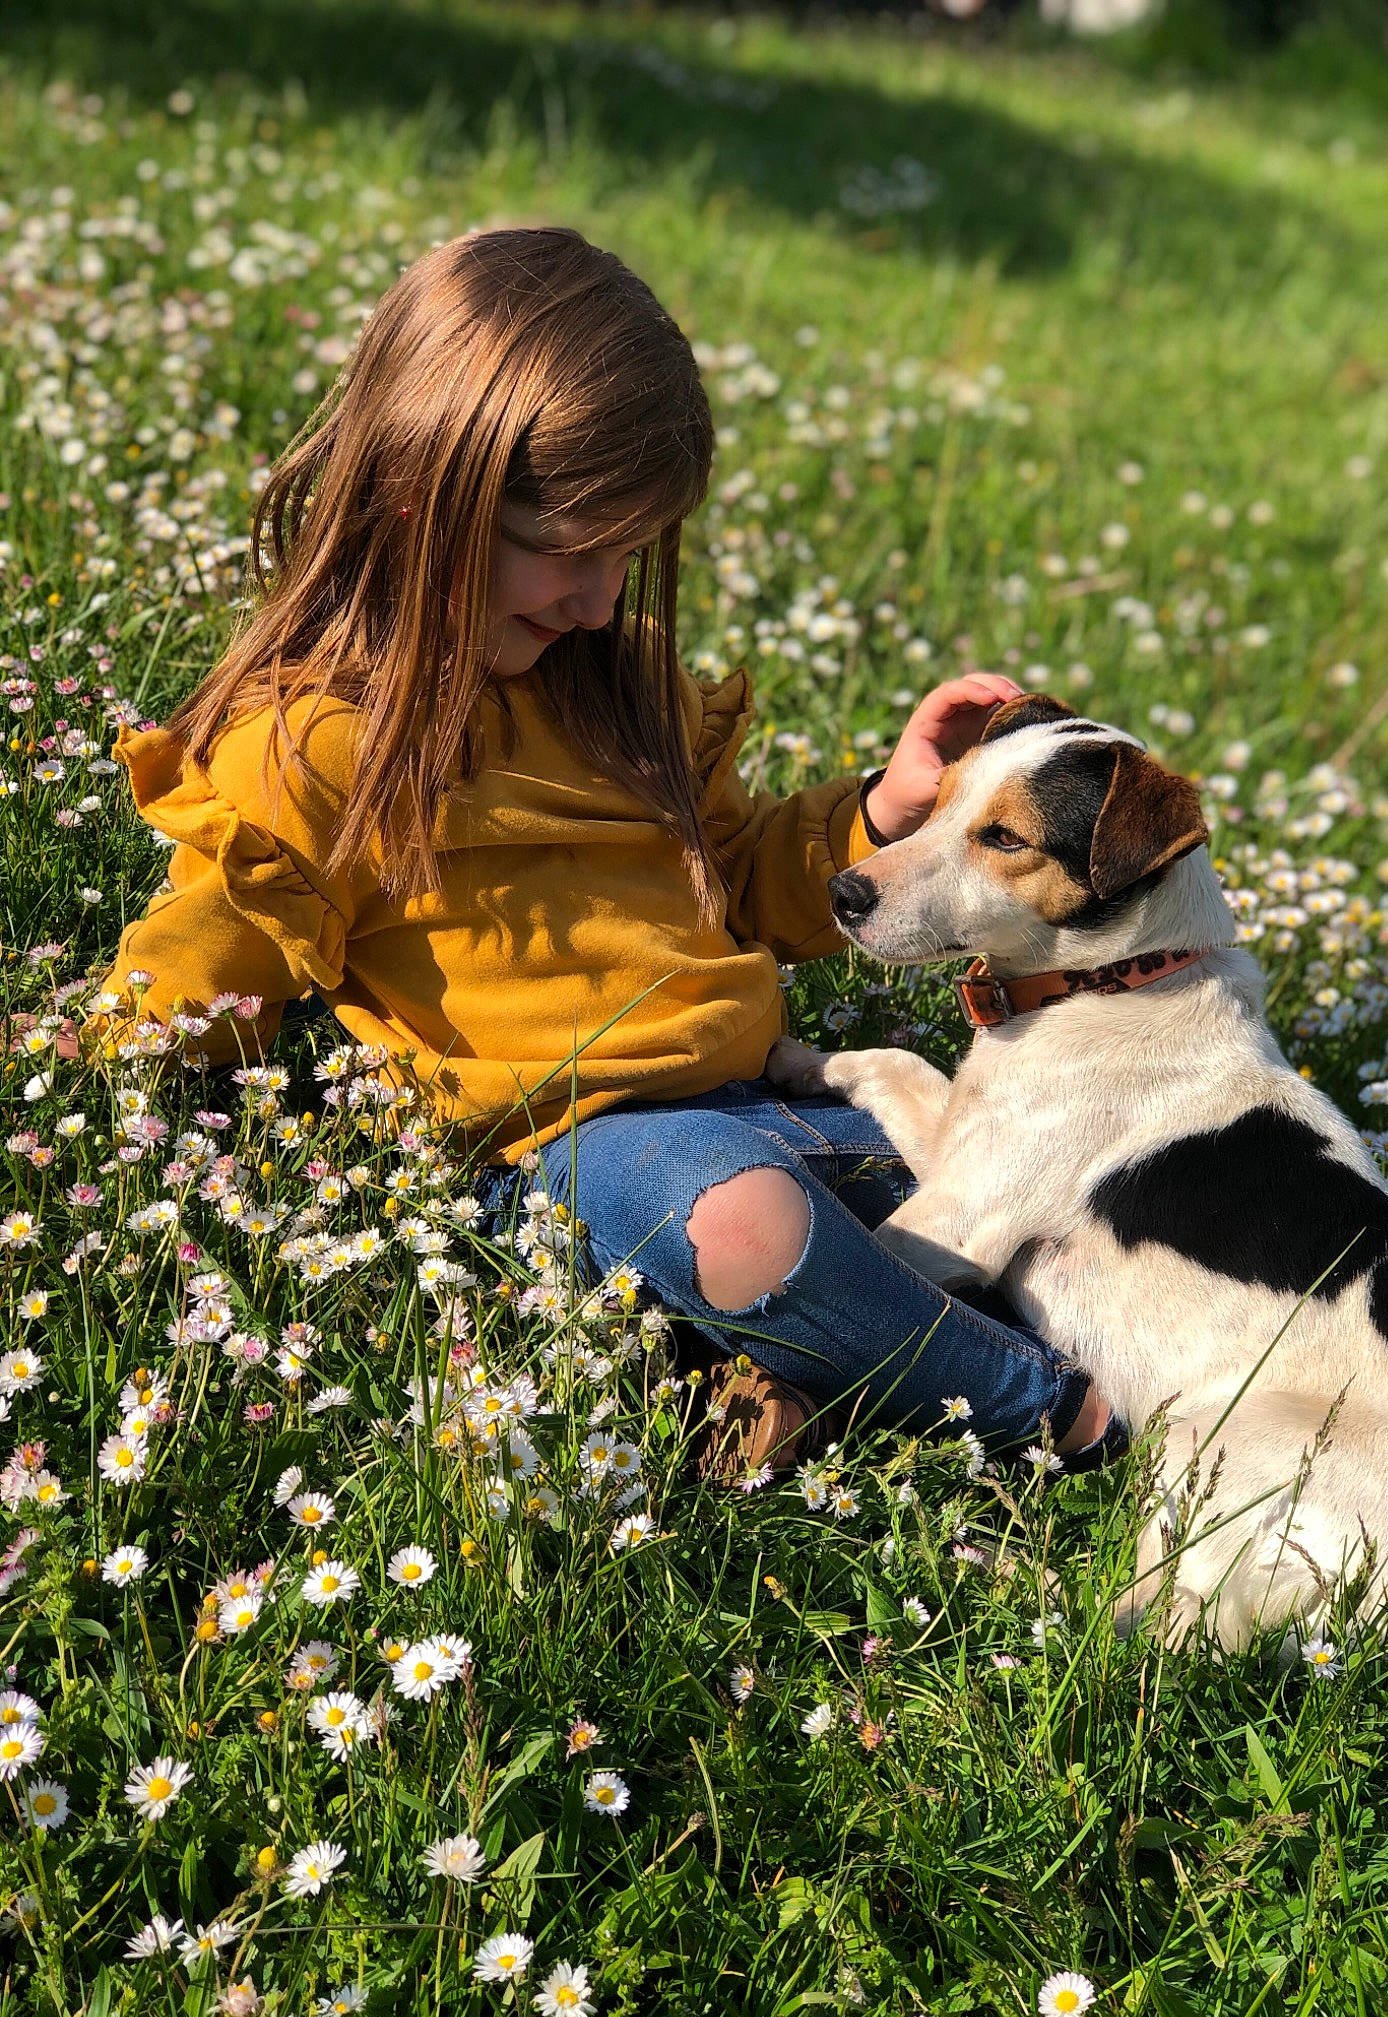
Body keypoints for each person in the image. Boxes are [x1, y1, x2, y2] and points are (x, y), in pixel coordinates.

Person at [89, 225, 1117, 1478]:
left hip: (778, 1107)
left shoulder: (618, 686)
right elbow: (215, 947)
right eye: (569, 550)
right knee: (744, 1226)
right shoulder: (313, 746)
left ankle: (786, 1381)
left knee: (1056, 1167)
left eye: (623, 552)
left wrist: (884, 812)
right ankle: (1058, 1413)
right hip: (577, 1161)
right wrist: (96, 1064)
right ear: (427, 509)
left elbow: (734, 876)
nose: (597, 594)